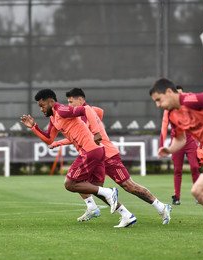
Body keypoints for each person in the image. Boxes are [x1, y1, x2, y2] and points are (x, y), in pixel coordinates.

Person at [49, 88, 172, 227]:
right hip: (96, 154)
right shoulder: (85, 113)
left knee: (128, 186)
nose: (69, 105)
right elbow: (100, 112)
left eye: (72, 102)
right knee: (85, 184)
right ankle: (111, 211)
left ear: (81, 100)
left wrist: (59, 142)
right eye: (68, 102)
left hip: (108, 154)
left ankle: (161, 206)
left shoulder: (84, 114)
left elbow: (87, 130)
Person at [20, 89, 134, 227]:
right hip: (96, 151)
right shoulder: (54, 117)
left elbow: (87, 109)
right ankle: (126, 215)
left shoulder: (61, 110)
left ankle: (109, 193)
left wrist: (96, 131)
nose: (41, 109)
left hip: (90, 150)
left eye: (42, 105)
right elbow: (49, 139)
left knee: (70, 183)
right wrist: (33, 126)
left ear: (51, 102)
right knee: (93, 188)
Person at [150, 78, 203, 219]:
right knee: (198, 191)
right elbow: (180, 139)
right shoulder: (173, 115)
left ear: (168, 92)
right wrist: (168, 150)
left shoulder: (193, 100)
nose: (157, 105)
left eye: (159, 100)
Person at [160, 85, 200, 205]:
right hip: (177, 142)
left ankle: (198, 194)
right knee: (177, 170)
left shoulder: (188, 105)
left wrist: (201, 144)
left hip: (190, 140)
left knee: (194, 167)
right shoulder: (168, 108)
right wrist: (161, 144)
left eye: (181, 94)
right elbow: (164, 126)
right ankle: (176, 197)